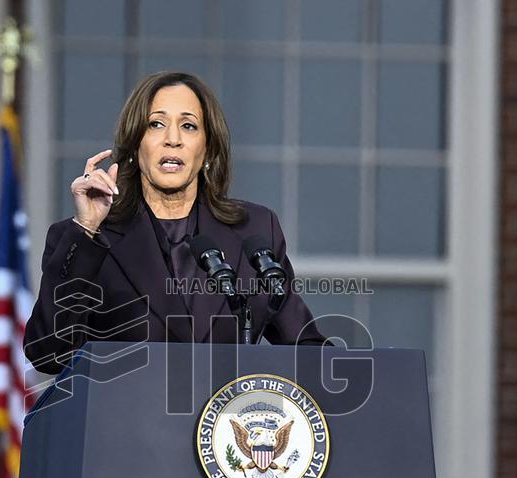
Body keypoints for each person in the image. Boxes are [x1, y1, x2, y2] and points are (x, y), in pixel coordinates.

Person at [24, 71, 329, 374]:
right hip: (130, 421)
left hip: (226, 420)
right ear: (135, 145)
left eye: (188, 126)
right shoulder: (84, 238)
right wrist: (87, 228)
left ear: (207, 149)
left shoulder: (255, 231)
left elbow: (308, 351)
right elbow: (49, 354)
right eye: (156, 124)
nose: (173, 140)